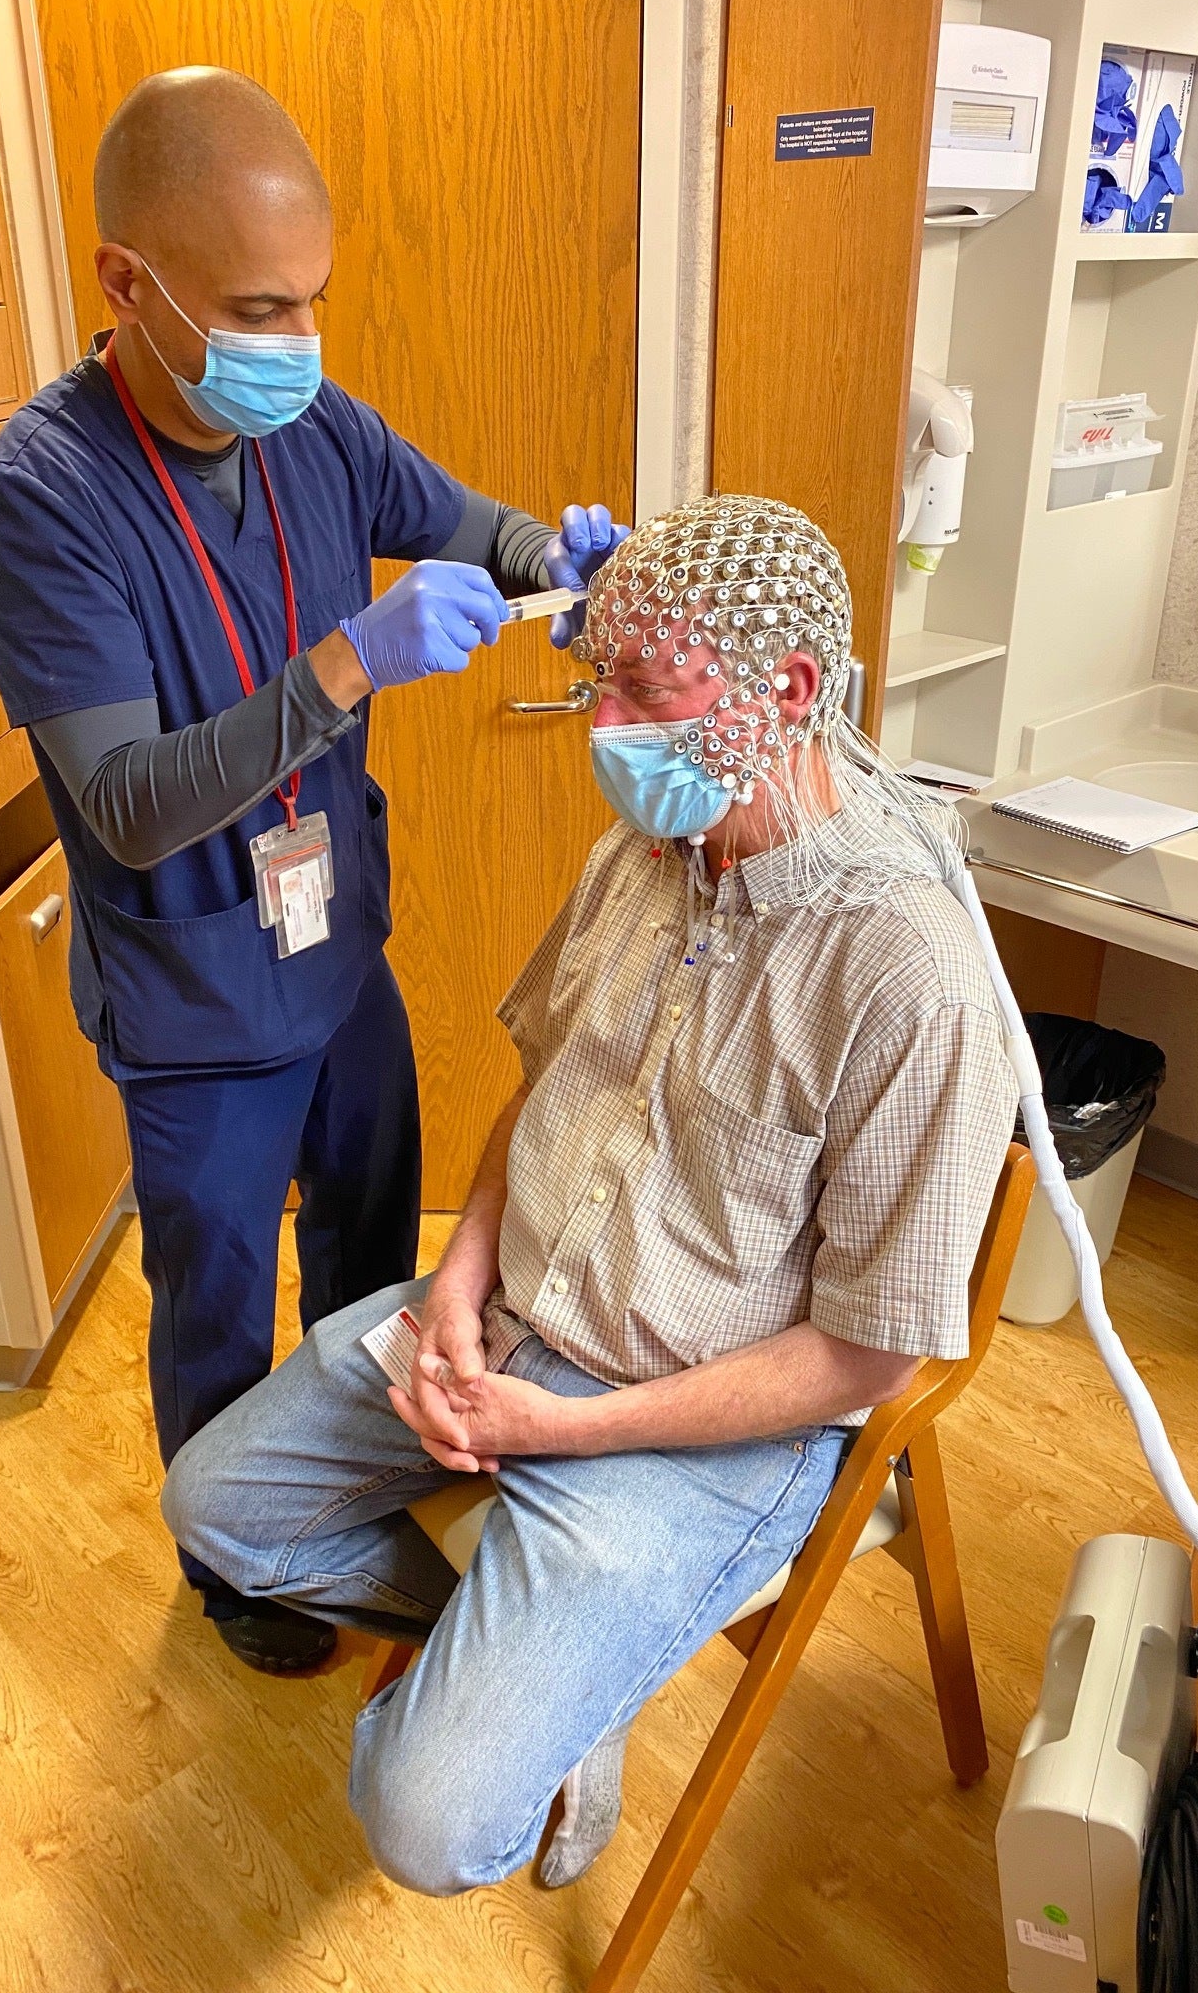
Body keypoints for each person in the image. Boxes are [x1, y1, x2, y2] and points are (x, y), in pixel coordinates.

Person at [158, 494, 1019, 1893]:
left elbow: (868, 1349)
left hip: (700, 1428)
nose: (604, 722)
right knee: (218, 1513)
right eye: (596, 677)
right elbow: (543, 1089)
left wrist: (568, 1429)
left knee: (427, 1827)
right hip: (512, 1324)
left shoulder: (909, 969)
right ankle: (540, 1669)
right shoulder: (640, 856)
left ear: (786, 690)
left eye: (642, 684)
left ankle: (557, 1701)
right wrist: (451, 1291)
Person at [0, 66, 626, 1676]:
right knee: (215, 1305)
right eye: (261, 307)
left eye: (311, 302)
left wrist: (558, 556)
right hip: (196, 1000)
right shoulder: (40, 500)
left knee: (369, 1240)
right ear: (132, 282)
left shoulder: (316, 426)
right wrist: (346, 667)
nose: (297, 343)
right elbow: (122, 802)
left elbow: (462, 518)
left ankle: (352, 1490)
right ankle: (238, 1565)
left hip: (337, 958)